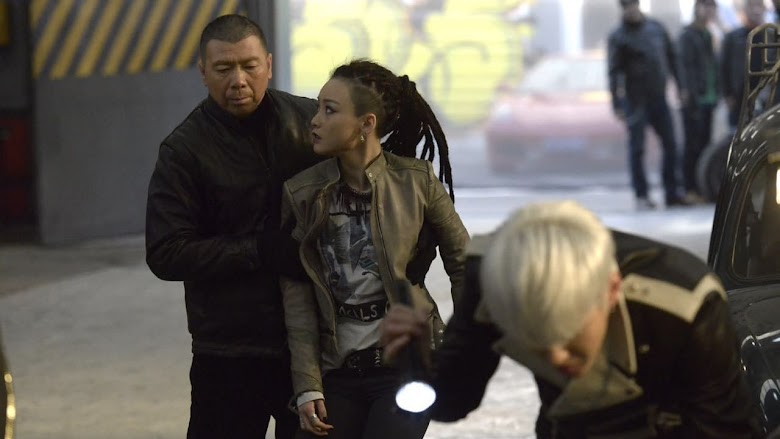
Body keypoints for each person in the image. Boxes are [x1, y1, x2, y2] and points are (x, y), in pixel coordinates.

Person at [381, 200, 761, 438]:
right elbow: (452, 399)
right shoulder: (496, 279)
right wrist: (416, 362)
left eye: (570, 338)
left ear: (611, 290)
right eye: (535, 345)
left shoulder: (685, 306)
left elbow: (724, 430)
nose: (556, 359)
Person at [145, 14, 323, 439]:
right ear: (203, 72)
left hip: (311, 344)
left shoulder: (311, 123)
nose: (238, 81)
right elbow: (166, 252)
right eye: (224, 68)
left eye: (249, 66)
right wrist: (260, 250)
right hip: (228, 350)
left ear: (269, 65)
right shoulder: (184, 151)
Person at [279, 59, 469, 439]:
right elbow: (297, 294)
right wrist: (307, 384)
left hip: (406, 365)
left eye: (329, 110)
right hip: (338, 369)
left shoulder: (417, 182)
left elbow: (465, 265)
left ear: (366, 123)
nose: (314, 120)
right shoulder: (302, 193)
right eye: (318, 107)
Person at [608, 0, 689, 210]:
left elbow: (672, 58)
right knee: (637, 149)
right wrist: (616, 103)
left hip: (659, 97)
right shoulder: (618, 36)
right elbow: (613, 72)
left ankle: (672, 192)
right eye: (627, 6)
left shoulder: (656, 28)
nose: (631, 9)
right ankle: (641, 195)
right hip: (635, 100)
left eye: (633, 5)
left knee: (671, 145)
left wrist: (681, 86)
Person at [678, 0, 719, 204]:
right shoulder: (687, 35)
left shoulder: (708, 34)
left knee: (704, 146)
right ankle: (689, 189)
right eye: (705, 5)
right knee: (692, 146)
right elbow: (684, 68)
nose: (709, 10)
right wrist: (688, 94)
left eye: (712, 6)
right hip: (695, 100)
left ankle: (701, 188)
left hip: (709, 98)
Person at [720, 0, 767, 130]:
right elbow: (723, 67)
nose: (756, 10)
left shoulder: (771, 36)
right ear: (745, 10)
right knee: (737, 133)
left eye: (759, 5)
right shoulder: (732, 37)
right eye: (752, 6)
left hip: (765, 97)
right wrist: (727, 94)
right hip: (739, 98)